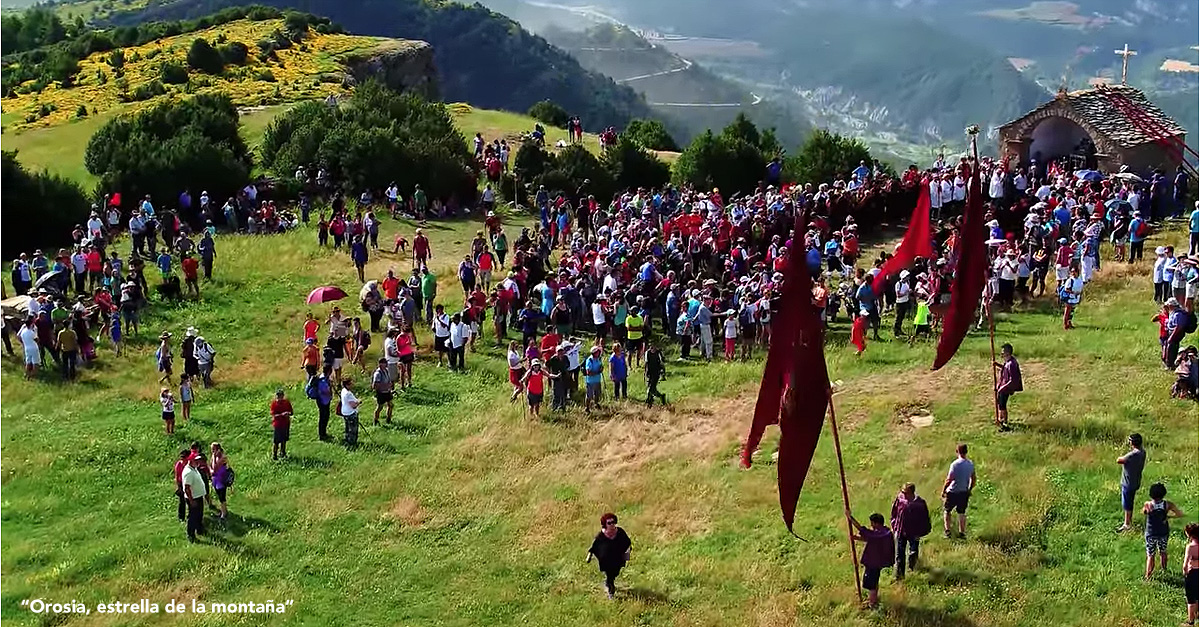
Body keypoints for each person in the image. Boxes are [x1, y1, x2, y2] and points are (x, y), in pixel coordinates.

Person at [848, 512, 894, 609]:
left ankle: (872, 604)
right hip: (878, 562)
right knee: (874, 581)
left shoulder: (879, 534)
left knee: (871, 584)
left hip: (874, 563)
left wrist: (851, 518)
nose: (871, 526)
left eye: (872, 523)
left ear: (876, 523)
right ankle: (873, 600)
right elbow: (872, 539)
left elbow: (864, 531)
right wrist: (857, 538)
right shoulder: (885, 532)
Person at [889, 483, 931, 580]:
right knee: (899, 554)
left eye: (904, 492)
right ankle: (899, 576)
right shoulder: (900, 500)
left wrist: (922, 532)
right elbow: (894, 513)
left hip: (914, 532)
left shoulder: (920, 504)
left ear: (911, 493)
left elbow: (924, 519)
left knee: (913, 551)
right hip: (900, 531)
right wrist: (894, 526)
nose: (902, 493)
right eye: (902, 491)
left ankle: (913, 567)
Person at [1143, 482, 1185, 580]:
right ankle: (1164, 569)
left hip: (1151, 533)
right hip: (1163, 532)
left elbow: (1144, 512)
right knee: (1163, 551)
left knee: (1150, 555)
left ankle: (1148, 576)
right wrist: (1169, 516)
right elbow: (1179, 514)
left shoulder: (1148, 504)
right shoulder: (1167, 504)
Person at [587, 512, 632, 600]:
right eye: (609, 523)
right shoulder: (601, 536)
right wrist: (589, 556)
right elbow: (594, 546)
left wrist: (627, 555)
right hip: (606, 561)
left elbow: (627, 543)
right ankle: (611, 590)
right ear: (605, 524)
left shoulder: (619, 532)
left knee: (616, 573)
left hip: (618, 559)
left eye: (613, 522)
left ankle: (610, 582)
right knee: (610, 575)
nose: (612, 524)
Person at [941, 443, 975, 539]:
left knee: (947, 511)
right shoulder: (970, 464)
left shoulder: (954, 464)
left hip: (952, 491)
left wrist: (943, 490)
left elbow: (949, 479)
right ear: (966, 451)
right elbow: (973, 478)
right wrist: (969, 489)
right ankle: (962, 532)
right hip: (964, 491)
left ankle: (948, 531)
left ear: (957, 451)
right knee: (962, 512)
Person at [1117, 433, 1146, 533]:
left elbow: (1119, 460)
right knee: (1130, 501)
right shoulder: (1142, 452)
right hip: (1135, 481)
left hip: (1128, 483)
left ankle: (1127, 524)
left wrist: (1124, 453)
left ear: (1132, 443)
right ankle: (1128, 521)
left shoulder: (1133, 454)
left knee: (1127, 503)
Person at [993, 343, 1022, 431]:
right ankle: (1000, 420)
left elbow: (1012, 380)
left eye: (1003, 352)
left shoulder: (1012, 363)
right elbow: (1005, 369)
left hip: (1006, 388)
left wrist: (1002, 388)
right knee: (1000, 404)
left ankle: (1004, 423)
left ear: (1007, 352)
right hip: (1003, 386)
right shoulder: (1008, 362)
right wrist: (997, 365)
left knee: (1002, 405)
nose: (1001, 354)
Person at [181, 453, 207, 542]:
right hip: (193, 498)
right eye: (196, 460)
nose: (198, 462)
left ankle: (199, 530)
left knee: (199, 515)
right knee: (192, 517)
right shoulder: (188, 472)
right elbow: (187, 488)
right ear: (191, 460)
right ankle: (190, 534)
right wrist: (191, 501)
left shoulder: (194, 469)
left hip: (198, 497)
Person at [270, 388, 293, 460]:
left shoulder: (286, 402)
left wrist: (288, 413)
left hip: (286, 424)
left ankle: (283, 453)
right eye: (278, 395)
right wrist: (282, 415)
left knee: (284, 440)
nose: (279, 397)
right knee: (276, 441)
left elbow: (291, 412)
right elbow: (273, 415)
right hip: (278, 425)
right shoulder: (274, 404)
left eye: (281, 395)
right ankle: (274, 455)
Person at [210, 442, 230, 522]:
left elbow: (215, 467)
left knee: (222, 496)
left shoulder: (222, 457)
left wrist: (214, 457)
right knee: (219, 495)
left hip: (221, 479)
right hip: (215, 479)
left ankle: (224, 513)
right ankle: (223, 510)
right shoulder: (213, 456)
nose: (212, 451)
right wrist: (211, 471)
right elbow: (210, 466)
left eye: (213, 449)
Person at [339, 377, 361, 449]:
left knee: (347, 428)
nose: (352, 385)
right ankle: (352, 443)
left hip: (345, 412)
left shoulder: (343, 391)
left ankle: (347, 439)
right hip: (350, 413)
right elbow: (353, 405)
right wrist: (359, 402)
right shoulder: (348, 394)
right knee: (353, 429)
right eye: (351, 383)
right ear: (347, 385)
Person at [372, 358, 395, 425]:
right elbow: (375, 385)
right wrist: (385, 386)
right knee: (380, 407)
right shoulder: (378, 374)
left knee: (391, 405)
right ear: (381, 364)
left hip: (387, 391)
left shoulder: (386, 371)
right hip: (381, 393)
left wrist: (390, 385)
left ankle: (388, 419)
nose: (386, 364)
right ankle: (375, 420)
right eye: (385, 363)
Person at [1185, 522, 1199, 626]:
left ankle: (1191, 621)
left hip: (1192, 572)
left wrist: (1185, 572)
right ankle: (1197, 614)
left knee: (1191, 599)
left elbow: (1185, 564)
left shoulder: (1190, 547)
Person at [584, 344, 604, 411]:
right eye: (598, 351)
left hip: (597, 380)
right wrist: (598, 372)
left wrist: (601, 368)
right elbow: (588, 372)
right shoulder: (589, 360)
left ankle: (596, 404)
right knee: (589, 396)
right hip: (590, 381)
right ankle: (587, 408)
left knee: (597, 394)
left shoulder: (598, 359)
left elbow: (600, 366)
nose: (599, 353)